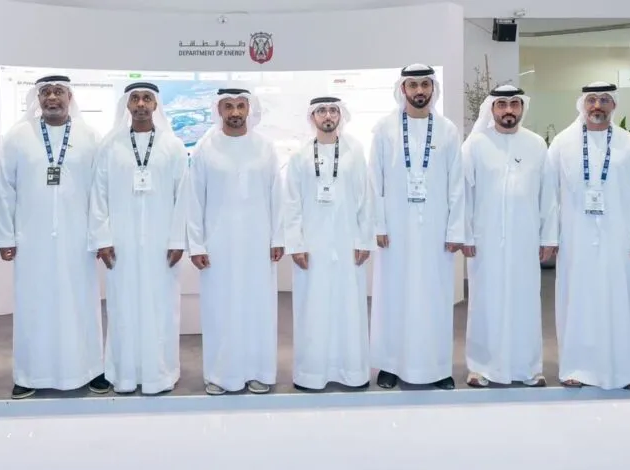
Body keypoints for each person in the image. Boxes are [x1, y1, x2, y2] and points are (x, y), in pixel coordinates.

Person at [0, 75, 109, 399]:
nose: (52, 97)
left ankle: (90, 370)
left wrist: (101, 236)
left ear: (69, 96)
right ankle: (29, 374)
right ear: (37, 98)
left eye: (59, 91)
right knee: (34, 305)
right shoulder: (17, 138)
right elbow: (3, 191)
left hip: (78, 239)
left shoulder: (90, 137)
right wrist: (5, 236)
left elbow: (100, 194)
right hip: (32, 241)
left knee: (82, 304)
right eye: (46, 92)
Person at [547, 82, 630, 391]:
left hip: (619, 239)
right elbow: (549, 195)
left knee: (619, 301)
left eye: (604, 100)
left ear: (614, 106)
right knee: (575, 301)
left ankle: (622, 371)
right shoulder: (562, 143)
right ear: (583, 103)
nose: (597, 105)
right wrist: (550, 236)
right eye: (592, 99)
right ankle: (574, 368)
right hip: (575, 238)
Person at [89, 82, 190, 395]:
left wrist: (177, 240)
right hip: (122, 245)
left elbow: (182, 196)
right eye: (136, 98)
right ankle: (123, 373)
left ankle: (161, 372)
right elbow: (99, 195)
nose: (142, 104)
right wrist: (103, 238)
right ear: (127, 105)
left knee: (161, 309)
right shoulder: (111, 145)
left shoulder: (172, 146)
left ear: (156, 105)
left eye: (147, 98)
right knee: (122, 308)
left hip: (162, 246)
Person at [369, 64, 465, 390]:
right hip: (395, 231)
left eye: (425, 84)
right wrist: (378, 224)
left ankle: (437, 367)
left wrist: (455, 230)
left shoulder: (448, 130)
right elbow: (375, 182)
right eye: (413, 85)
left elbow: (457, 185)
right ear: (403, 89)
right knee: (393, 296)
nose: (419, 91)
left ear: (432, 89)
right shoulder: (384, 130)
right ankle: (390, 365)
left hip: (436, 230)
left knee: (435, 297)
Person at [187, 88, 284, 396]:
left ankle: (259, 371)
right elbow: (193, 200)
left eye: (240, 105)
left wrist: (278, 237)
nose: (235, 112)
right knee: (220, 309)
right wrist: (197, 244)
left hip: (258, 243)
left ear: (249, 109)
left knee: (258, 307)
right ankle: (219, 374)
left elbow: (276, 196)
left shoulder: (265, 148)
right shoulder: (205, 148)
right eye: (228, 106)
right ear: (219, 110)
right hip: (219, 245)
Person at [461, 85, 558, 388]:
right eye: (501, 104)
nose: (508, 110)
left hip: (525, 239)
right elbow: (463, 193)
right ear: (492, 109)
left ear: (521, 108)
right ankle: (481, 367)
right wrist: (464, 234)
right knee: (485, 301)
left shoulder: (536, 145)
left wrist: (549, 237)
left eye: (514, 104)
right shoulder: (475, 144)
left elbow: (549, 196)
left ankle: (528, 368)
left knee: (526, 301)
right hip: (484, 240)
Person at [284, 96, 374, 391]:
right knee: (313, 308)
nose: (327, 115)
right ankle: (311, 374)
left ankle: (352, 372)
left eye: (333, 110)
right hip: (312, 247)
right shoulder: (299, 155)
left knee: (349, 307)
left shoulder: (354, 152)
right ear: (312, 117)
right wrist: (295, 244)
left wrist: (363, 239)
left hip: (348, 244)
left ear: (340, 116)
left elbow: (365, 199)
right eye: (321, 111)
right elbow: (292, 203)